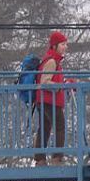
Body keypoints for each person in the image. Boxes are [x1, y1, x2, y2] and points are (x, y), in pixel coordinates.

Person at [33, 31, 71, 166]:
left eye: (66, 44)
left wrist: (65, 83)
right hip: (50, 101)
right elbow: (45, 81)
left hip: (44, 100)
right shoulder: (51, 61)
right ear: (54, 46)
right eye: (62, 44)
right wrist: (60, 86)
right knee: (60, 126)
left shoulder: (51, 60)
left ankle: (40, 159)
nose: (65, 47)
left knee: (44, 128)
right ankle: (57, 158)